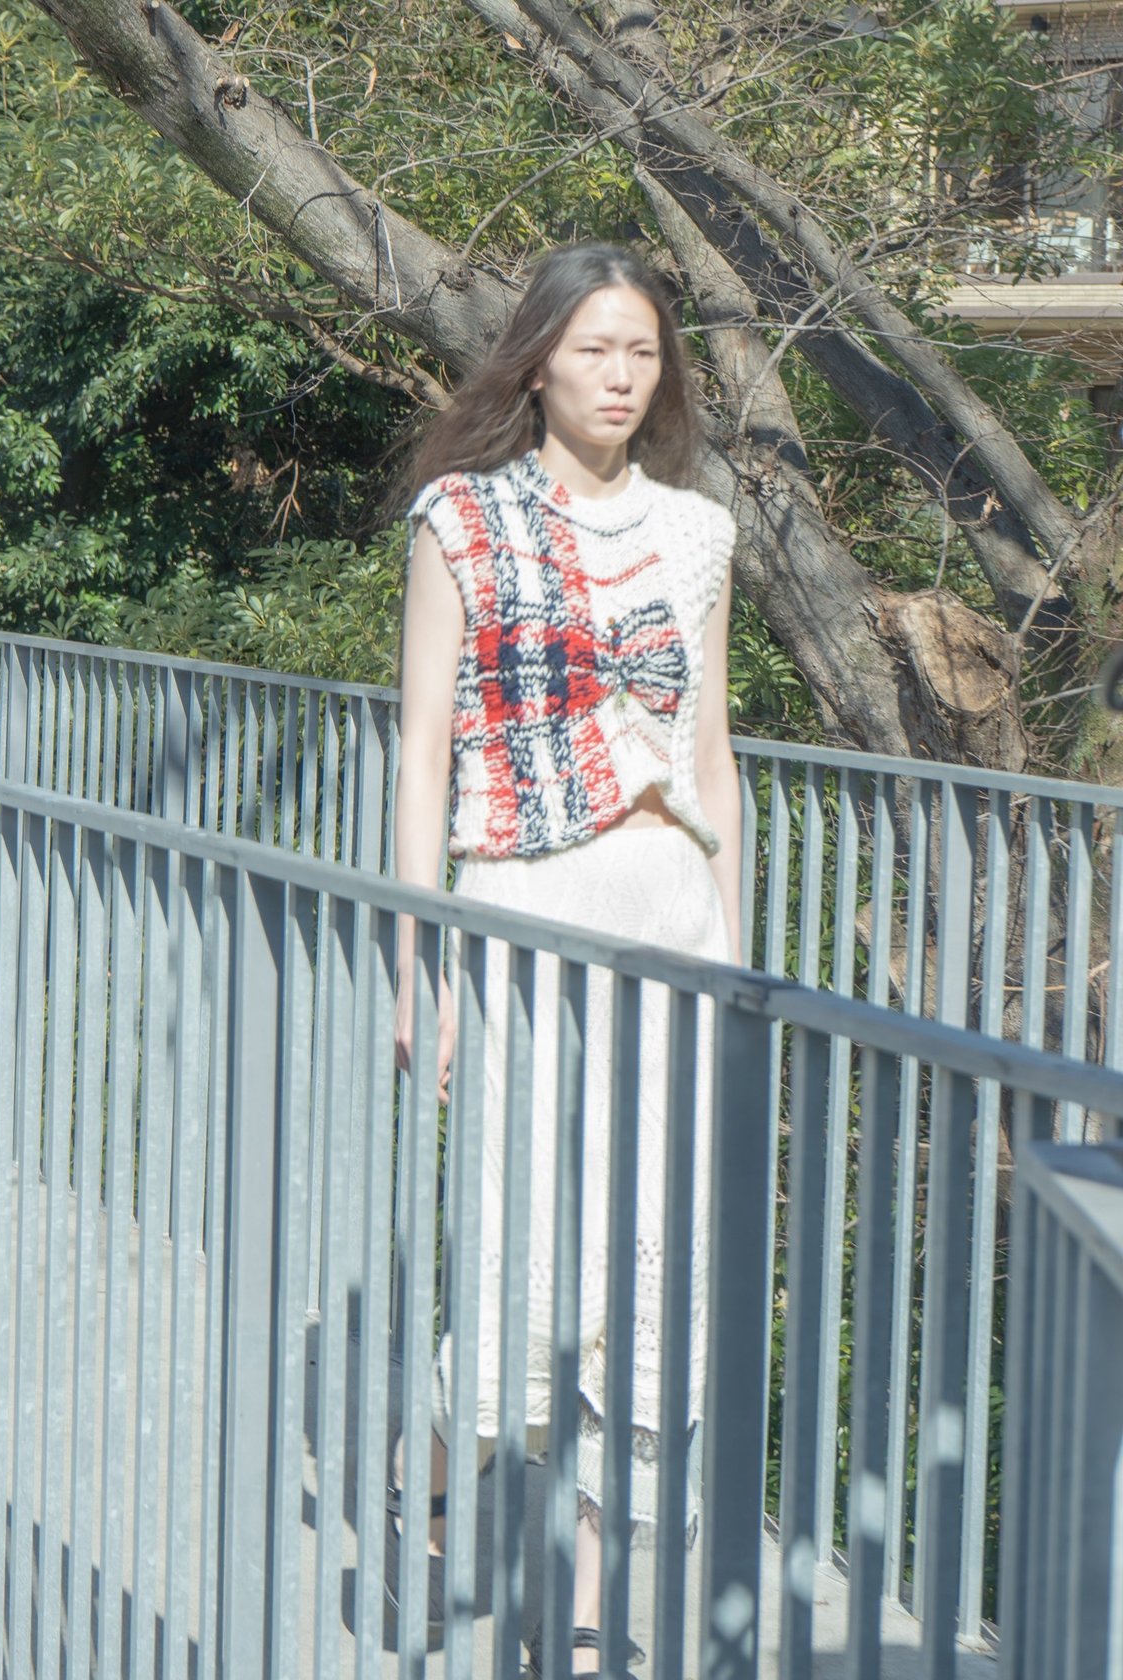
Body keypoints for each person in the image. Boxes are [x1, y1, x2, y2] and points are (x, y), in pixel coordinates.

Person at [390, 240, 741, 1677]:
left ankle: (593, 1613)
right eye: (594, 348)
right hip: (523, 912)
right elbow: (423, 751)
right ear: (537, 361)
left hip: (670, 921)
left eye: (642, 352)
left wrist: (737, 961)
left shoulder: (699, 534)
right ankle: (437, 1488)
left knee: (643, 1268)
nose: (619, 375)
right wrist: (419, 960)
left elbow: (713, 762)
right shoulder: (463, 520)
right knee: (518, 1244)